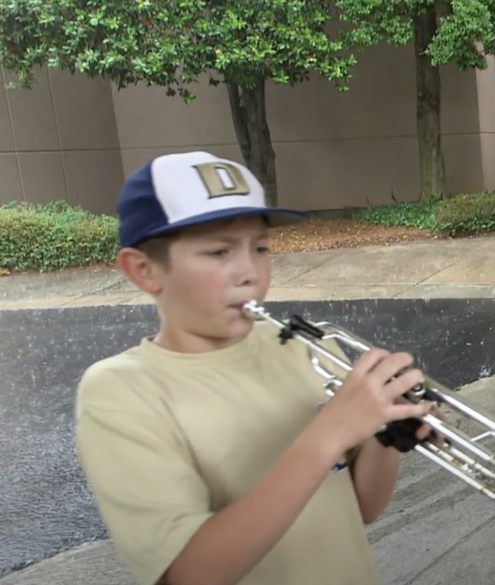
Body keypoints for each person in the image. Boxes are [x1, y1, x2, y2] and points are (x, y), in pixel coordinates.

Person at [73, 151, 439, 585]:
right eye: (218, 252)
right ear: (144, 270)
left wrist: (390, 431)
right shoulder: (120, 392)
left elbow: (363, 508)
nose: (249, 272)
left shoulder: (305, 345)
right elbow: (189, 574)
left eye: (260, 248)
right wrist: (329, 434)